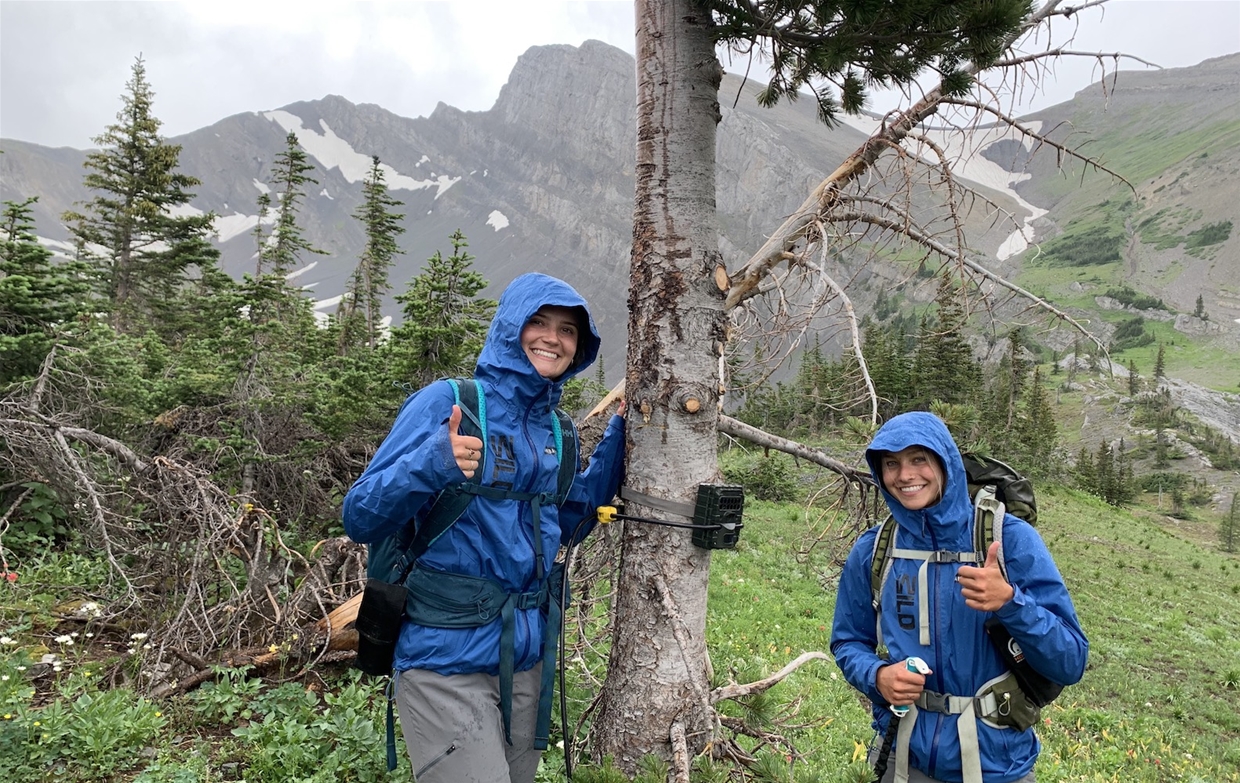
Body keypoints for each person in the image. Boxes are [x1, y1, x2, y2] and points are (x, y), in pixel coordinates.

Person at [342, 272, 626, 783]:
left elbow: (568, 523)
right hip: (444, 654)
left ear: (579, 347)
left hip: (526, 657)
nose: (552, 338)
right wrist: (431, 462)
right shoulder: (449, 402)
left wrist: (619, 439)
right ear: (509, 327)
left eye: (567, 330)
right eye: (537, 322)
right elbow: (359, 515)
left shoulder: (557, 430)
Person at [830, 411, 1087, 783]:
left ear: (945, 461)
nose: (905, 475)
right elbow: (848, 640)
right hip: (904, 762)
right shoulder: (875, 549)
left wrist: (1010, 602)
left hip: (997, 768)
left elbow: (1071, 660)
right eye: (891, 463)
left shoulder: (1009, 539)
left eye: (919, 459)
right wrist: (878, 675)